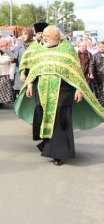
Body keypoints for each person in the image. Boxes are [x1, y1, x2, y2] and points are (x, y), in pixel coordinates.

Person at [14, 25, 104, 166]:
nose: (44, 38)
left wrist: (79, 89)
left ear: (56, 37)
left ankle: (59, 153)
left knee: (60, 120)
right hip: (42, 91)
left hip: (63, 91)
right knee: (45, 116)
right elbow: (33, 69)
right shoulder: (40, 49)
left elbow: (76, 73)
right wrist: (30, 84)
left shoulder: (67, 50)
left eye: (47, 36)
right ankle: (48, 145)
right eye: (43, 36)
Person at [0, 37, 15, 109]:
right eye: (3, 46)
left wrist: (11, 76)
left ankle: (1, 102)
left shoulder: (10, 53)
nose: (5, 47)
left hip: (5, 73)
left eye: (6, 45)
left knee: (2, 88)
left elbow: (12, 65)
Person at [13, 27, 34, 97]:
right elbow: (15, 58)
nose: (23, 36)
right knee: (20, 94)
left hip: (32, 72)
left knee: (31, 94)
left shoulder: (36, 45)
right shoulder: (19, 46)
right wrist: (12, 59)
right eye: (22, 34)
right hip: (21, 72)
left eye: (25, 34)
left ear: (30, 34)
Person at [89, 41, 104, 106]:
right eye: (100, 47)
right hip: (99, 77)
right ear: (98, 47)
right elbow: (91, 65)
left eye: (103, 47)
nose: (101, 48)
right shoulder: (95, 56)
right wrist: (91, 73)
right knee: (99, 92)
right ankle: (101, 105)